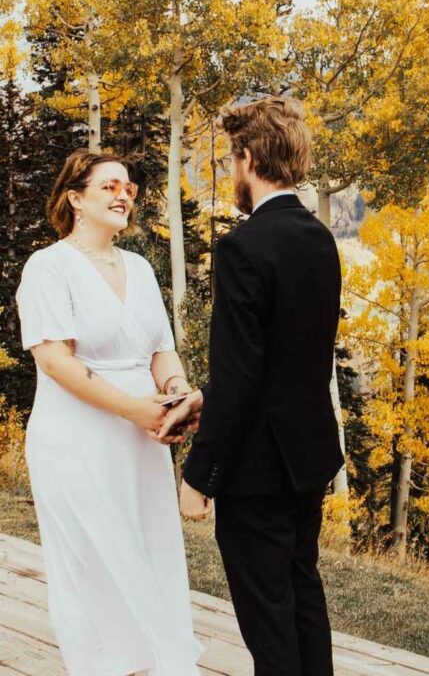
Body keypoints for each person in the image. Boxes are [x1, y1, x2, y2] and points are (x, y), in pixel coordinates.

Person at [159, 96, 344, 676]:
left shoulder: (243, 247)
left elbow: (241, 374)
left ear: (248, 158)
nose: (230, 173)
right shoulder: (319, 239)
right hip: (309, 457)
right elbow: (286, 361)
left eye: (232, 159)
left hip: (259, 468)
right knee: (301, 593)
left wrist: (198, 475)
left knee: (267, 618)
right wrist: (204, 398)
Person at [15, 149, 204, 676]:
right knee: (91, 556)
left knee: (147, 547)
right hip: (76, 434)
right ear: (75, 198)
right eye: (110, 186)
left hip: (142, 435)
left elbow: (160, 349)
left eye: (130, 189)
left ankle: (151, 660)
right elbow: (55, 360)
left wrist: (177, 394)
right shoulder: (48, 267)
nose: (125, 195)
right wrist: (134, 410)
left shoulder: (141, 269)